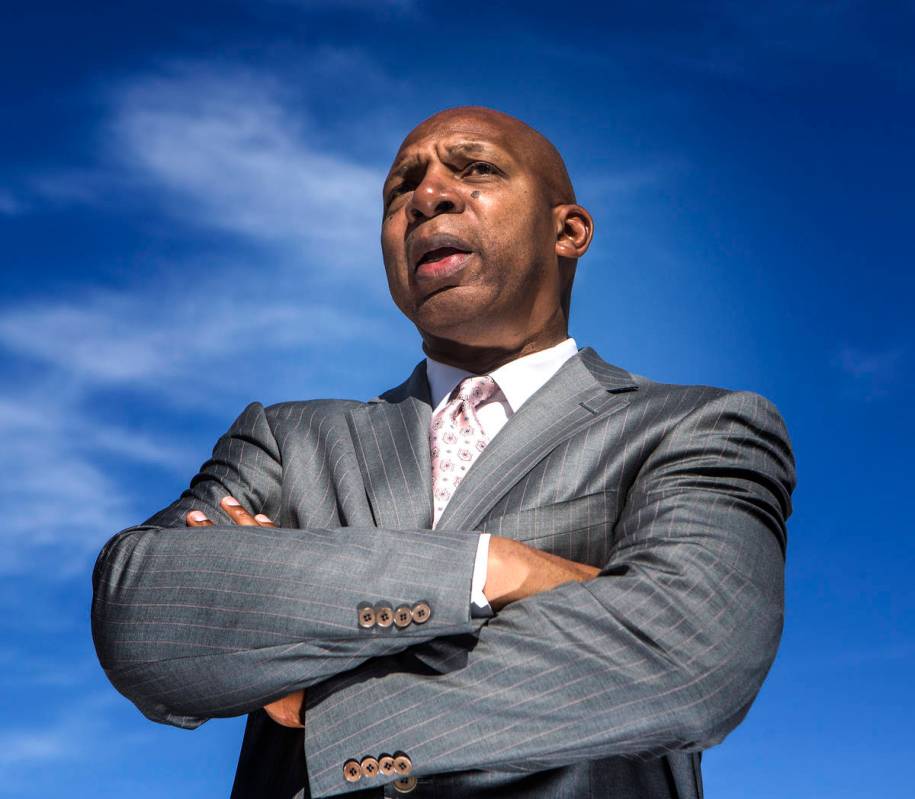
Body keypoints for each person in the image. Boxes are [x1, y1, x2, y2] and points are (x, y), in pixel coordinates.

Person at [91, 106, 796, 798]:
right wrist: (490, 567)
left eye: (475, 169)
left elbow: (682, 656)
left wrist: (323, 688)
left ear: (569, 230)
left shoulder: (695, 426)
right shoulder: (287, 437)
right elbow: (146, 610)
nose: (427, 196)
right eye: (402, 187)